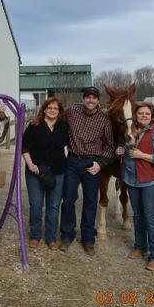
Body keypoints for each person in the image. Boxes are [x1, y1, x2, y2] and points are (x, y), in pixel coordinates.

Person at [59, 86, 114, 255]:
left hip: (92, 164)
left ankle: (88, 239)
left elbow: (109, 145)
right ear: (83, 98)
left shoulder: (104, 118)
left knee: (90, 201)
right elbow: (53, 117)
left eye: (94, 97)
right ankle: (67, 235)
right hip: (73, 161)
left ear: (98, 100)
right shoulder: (72, 112)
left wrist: (101, 163)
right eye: (88, 97)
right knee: (68, 199)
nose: (91, 100)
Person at [116, 102, 154, 271]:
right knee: (137, 216)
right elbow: (125, 149)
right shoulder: (130, 131)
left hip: (151, 181)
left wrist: (143, 156)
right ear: (136, 115)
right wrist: (120, 150)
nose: (144, 116)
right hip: (132, 180)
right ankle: (140, 247)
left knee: (150, 217)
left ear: (151, 116)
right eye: (140, 113)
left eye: (147, 113)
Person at [22, 98, 68, 251]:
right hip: (36, 171)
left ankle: (51, 237)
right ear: (44, 109)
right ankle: (35, 235)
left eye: (55, 108)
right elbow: (24, 147)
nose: (52, 110)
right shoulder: (34, 126)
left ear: (59, 111)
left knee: (53, 206)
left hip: (58, 171)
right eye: (49, 107)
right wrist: (30, 164)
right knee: (36, 205)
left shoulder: (64, 127)